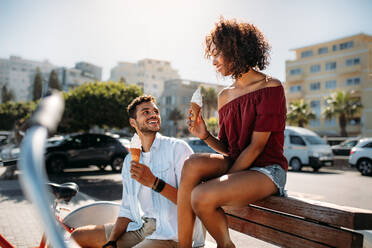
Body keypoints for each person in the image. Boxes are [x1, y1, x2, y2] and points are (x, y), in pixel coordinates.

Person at [177, 18, 288, 248]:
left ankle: (226, 245)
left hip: (267, 169)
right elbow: (229, 148)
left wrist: (218, 182)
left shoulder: (271, 87)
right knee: (191, 164)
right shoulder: (224, 96)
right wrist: (205, 136)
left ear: (235, 50)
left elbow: (257, 147)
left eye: (218, 54)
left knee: (201, 196)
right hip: (238, 165)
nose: (214, 62)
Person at [72, 95, 204, 248]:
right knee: (78, 236)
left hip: (172, 233)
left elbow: (192, 203)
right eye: (145, 112)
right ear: (133, 122)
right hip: (141, 227)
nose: (153, 114)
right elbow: (127, 209)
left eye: (155, 111)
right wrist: (112, 242)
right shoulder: (130, 160)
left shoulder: (177, 148)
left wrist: (154, 183)